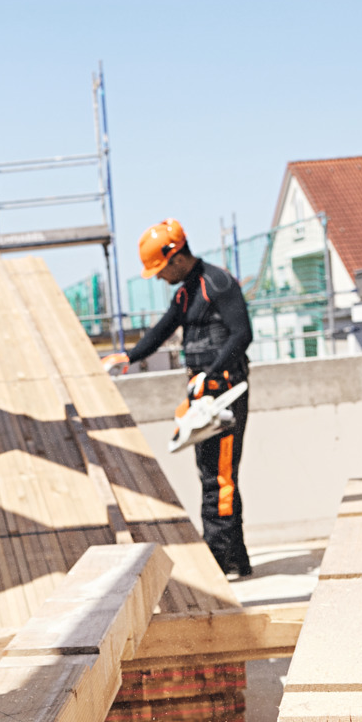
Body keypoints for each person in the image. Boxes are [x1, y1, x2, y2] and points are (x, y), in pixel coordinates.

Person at [102, 220, 254, 577]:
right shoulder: (187, 292)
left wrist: (212, 373)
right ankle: (233, 559)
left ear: (176, 257)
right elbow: (164, 327)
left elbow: (242, 334)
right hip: (203, 392)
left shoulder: (218, 283)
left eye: (159, 269)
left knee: (220, 478)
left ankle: (224, 561)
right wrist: (130, 356)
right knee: (210, 475)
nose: (157, 277)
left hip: (225, 393)